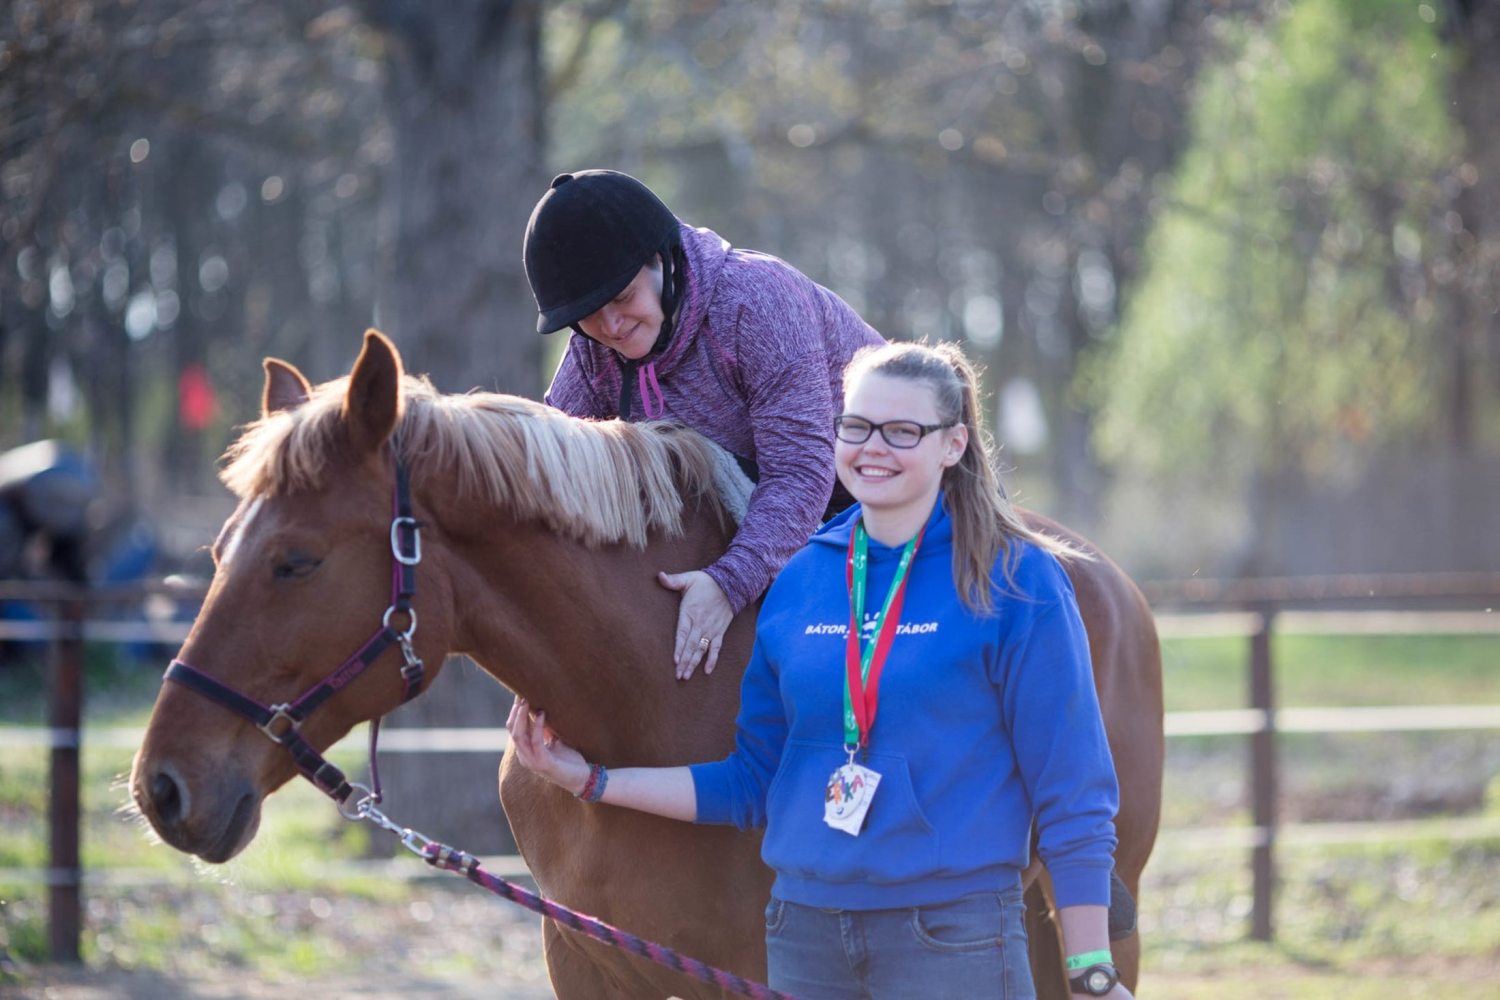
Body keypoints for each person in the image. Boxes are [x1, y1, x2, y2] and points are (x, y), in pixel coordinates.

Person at [508, 341, 1133, 999]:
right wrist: (592, 781)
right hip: (804, 940)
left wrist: (1089, 967)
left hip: (953, 940)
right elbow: (753, 781)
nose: (872, 449)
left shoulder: (1016, 580)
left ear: (953, 444)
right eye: (856, 427)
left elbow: (1074, 792)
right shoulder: (801, 577)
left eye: (902, 432)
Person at [524, 169, 884, 681]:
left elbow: (801, 472)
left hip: (877, 496)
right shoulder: (592, 350)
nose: (610, 327)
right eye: (588, 314)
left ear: (663, 261)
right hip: (768, 510)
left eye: (623, 298)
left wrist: (726, 585)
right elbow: (553, 468)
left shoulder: (758, 299)